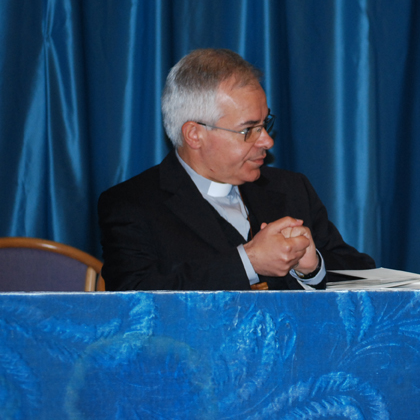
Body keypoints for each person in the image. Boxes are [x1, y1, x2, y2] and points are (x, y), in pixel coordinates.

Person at [98, 48, 374, 290]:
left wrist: (313, 269)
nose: (267, 141)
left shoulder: (292, 189)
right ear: (195, 134)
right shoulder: (131, 205)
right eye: (249, 129)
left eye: (265, 124)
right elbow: (134, 300)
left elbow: (367, 278)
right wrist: (248, 262)